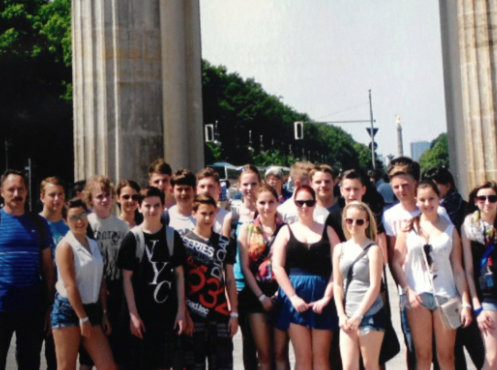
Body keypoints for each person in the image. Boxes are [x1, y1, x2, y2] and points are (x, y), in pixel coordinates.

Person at [392, 180, 472, 370]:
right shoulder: (408, 228)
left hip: (446, 295)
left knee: (446, 356)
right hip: (418, 296)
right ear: (416, 201)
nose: (427, 204)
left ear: (438, 200)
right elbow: (396, 261)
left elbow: (458, 269)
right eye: (422, 200)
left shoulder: (451, 230)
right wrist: (407, 290)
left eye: (431, 199)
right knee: (422, 355)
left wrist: (466, 302)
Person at [272, 185, 340, 369]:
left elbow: (337, 266)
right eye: (300, 202)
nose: (304, 207)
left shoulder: (328, 231)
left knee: (321, 357)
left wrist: (327, 297)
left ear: (315, 203)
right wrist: (292, 297)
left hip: (323, 295)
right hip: (295, 296)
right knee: (303, 357)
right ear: (294, 204)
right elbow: (277, 267)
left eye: (309, 202)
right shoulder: (285, 231)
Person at [118, 186, 186, 369]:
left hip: (166, 315)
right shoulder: (132, 239)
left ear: (164, 207)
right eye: (147, 206)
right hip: (142, 315)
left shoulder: (172, 236)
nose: (152, 210)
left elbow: (179, 275)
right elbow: (126, 279)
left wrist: (181, 311)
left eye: (157, 206)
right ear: (139, 207)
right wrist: (133, 315)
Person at [51, 197, 116, 370]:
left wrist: (103, 313)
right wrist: (82, 317)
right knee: (66, 367)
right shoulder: (65, 246)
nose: (79, 221)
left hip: (93, 309)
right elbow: (70, 285)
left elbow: (100, 280)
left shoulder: (93, 244)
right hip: (69, 311)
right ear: (65, 221)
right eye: (73, 217)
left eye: (82, 215)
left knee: (108, 365)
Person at [0, 169, 55, 370]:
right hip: (1, 306)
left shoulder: (39, 224)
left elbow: (48, 267)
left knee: (29, 363)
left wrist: (50, 305)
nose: (16, 194)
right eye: (11, 189)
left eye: (20, 189)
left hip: (31, 307)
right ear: (1, 192)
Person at [181, 194, 238, 369]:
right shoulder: (183, 242)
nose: (207, 218)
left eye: (211, 214)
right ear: (194, 213)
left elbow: (229, 279)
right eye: (203, 213)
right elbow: (180, 281)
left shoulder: (225, 243)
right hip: (193, 314)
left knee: (222, 364)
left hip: (219, 313)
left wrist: (234, 313)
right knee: (193, 365)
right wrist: (184, 313)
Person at [238, 185, 289, 370]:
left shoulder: (286, 229)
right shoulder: (247, 229)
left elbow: (288, 266)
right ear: (255, 204)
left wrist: (278, 293)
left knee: (281, 353)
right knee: (264, 355)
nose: (266, 207)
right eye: (262, 202)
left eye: (271, 202)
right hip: (256, 293)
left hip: (281, 292)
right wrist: (261, 296)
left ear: (278, 202)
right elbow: (245, 267)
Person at [82, 175, 129, 368]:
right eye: (99, 196)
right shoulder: (86, 224)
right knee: (87, 353)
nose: (104, 200)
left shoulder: (122, 226)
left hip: (116, 288)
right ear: (90, 200)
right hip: (92, 291)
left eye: (107, 195)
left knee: (115, 346)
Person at [333, 201, 385, 370]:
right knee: (348, 366)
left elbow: (375, 285)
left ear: (367, 223)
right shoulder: (339, 249)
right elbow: (338, 284)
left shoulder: (373, 249)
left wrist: (359, 315)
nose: (353, 225)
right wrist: (341, 314)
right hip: (347, 313)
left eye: (359, 221)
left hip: (370, 312)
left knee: (370, 365)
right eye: (349, 221)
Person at [222, 164, 261, 370]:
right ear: (239, 186)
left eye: (254, 183)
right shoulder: (232, 216)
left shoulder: (268, 210)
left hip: (265, 283)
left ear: (260, 185)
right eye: (245, 184)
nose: (249, 188)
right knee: (248, 342)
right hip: (240, 284)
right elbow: (222, 254)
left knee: (267, 343)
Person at [461, 181, 497, 369]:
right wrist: (476, 307)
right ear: (475, 201)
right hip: (487, 294)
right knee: (492, 358)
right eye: (481, 198)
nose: (487, 202)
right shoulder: (469, 226)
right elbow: (468, 269)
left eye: (492, 198)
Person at [39, 176, 70, 370]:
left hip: (60, 299)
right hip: (35, 295)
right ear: (42, 197)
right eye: (52, 195)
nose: (56, 199)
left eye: (60, 195)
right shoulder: (34, 223)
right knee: (30, 354)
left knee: (56, 357)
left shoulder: (69, 228)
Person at [196, 167, 228, 233]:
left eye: (210, 186)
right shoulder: (190, 217)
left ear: (219, 189)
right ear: (196, 190)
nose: (206, 190)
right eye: (202, 186)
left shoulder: (226, 217)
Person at [168, 169, 196, 236]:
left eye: (187, 189)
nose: (184, 193)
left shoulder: (202, 215)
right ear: (172, 190)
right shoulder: (166, 217)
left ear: (194, 190)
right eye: (179, 189)